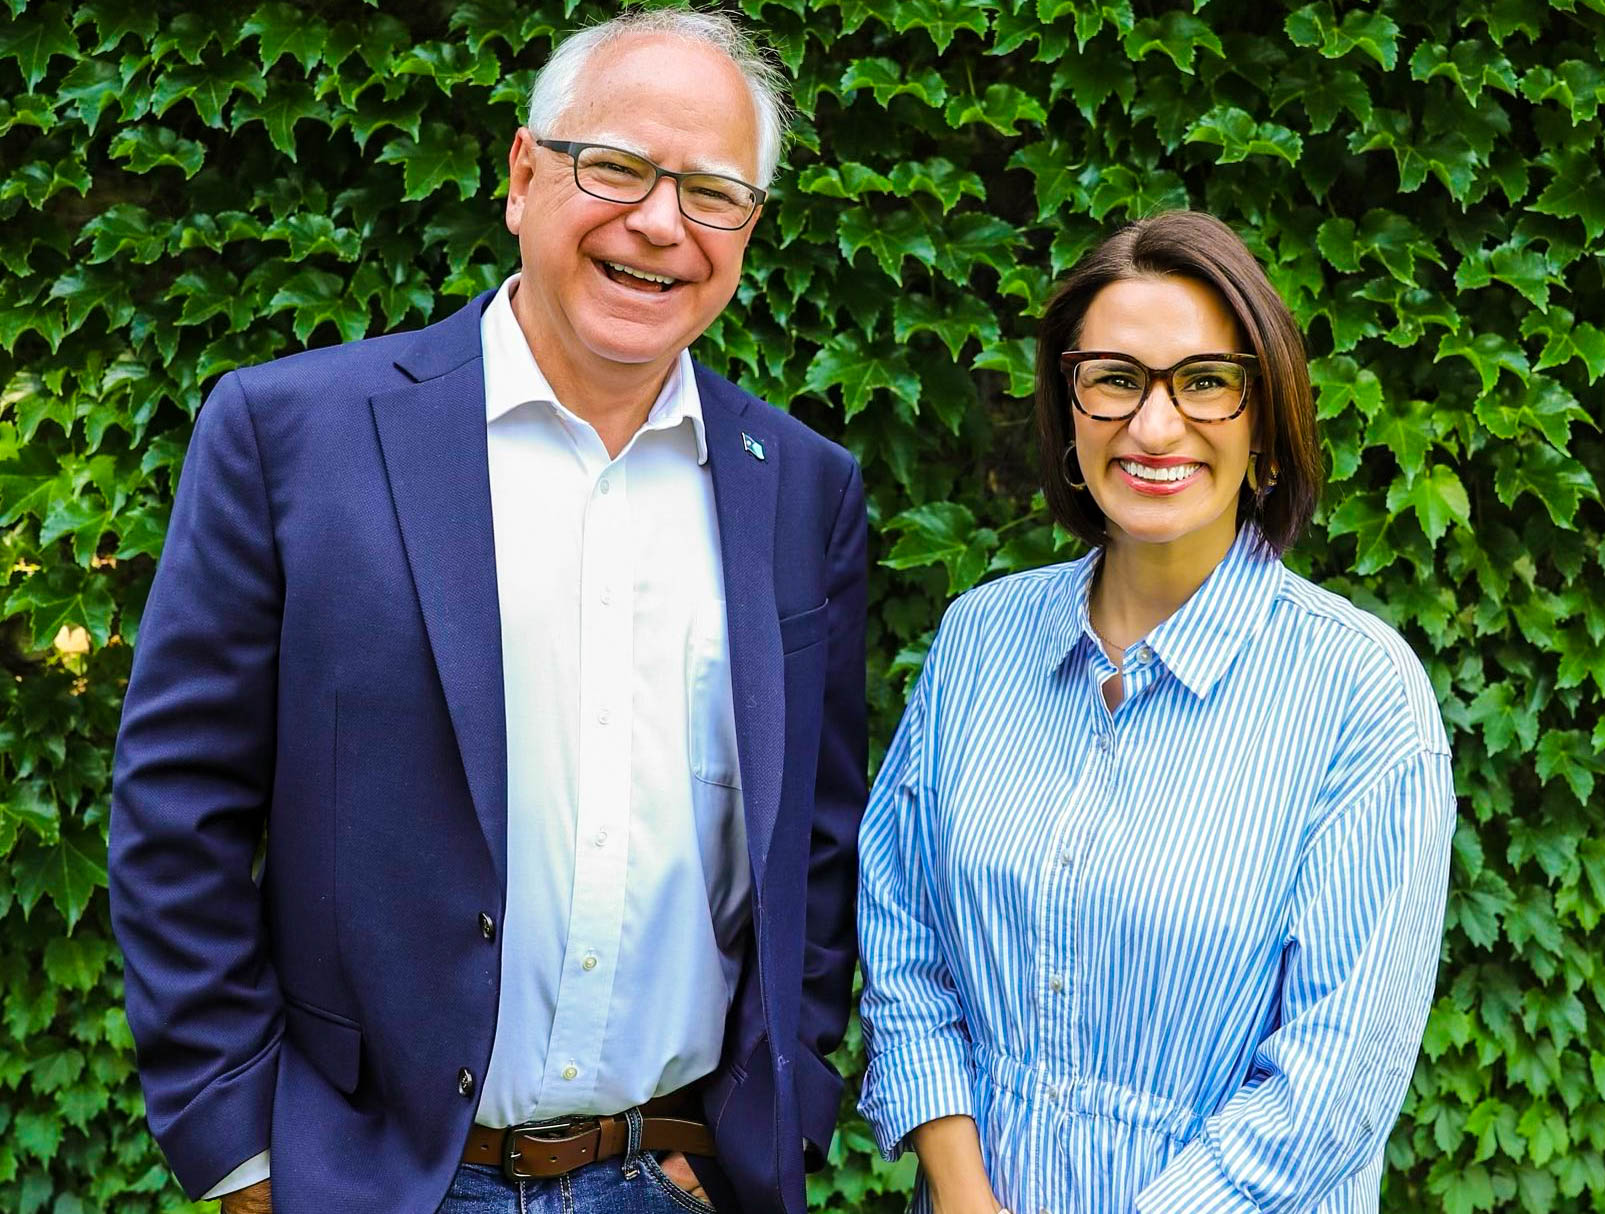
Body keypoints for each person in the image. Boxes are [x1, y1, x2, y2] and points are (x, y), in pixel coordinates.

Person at [108, 11, 867, 1214]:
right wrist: (244, 1163)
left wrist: (775, 1117)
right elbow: (176, 808)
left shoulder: (804, 489)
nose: (661, 223)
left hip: (672, 1179)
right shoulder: (293, 435)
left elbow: (816, 846)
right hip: (374, 1185)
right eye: (615, 167)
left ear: (749, 228)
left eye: (713, 192)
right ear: (523, 176)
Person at [856, 211, 1454, 1213]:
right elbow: (902, 939)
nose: (1154, 425)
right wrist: (964, 1197)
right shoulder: (976, 642)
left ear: (1266, 419)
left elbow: (1332, 1080)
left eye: (1205, 381)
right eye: (1116, 377)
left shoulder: (1359, 695)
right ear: (1069, 403)